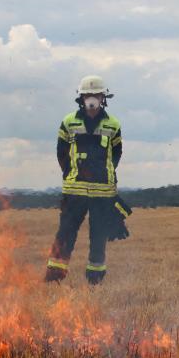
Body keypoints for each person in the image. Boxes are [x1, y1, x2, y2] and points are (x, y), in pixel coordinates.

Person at [45, 75, 124, 285]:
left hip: (102, 193)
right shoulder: (69, 121)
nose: (92, 99)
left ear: (103, 97)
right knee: (65, 234)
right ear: (81, 97)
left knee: (98, 239)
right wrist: (70, 173)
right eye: (88, 95)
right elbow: (61, 152)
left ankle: (95, 280)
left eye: (96, 95)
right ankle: (54, 278)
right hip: (74, 191)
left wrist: (104, 173)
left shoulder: (113, 124)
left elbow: (116, 155)